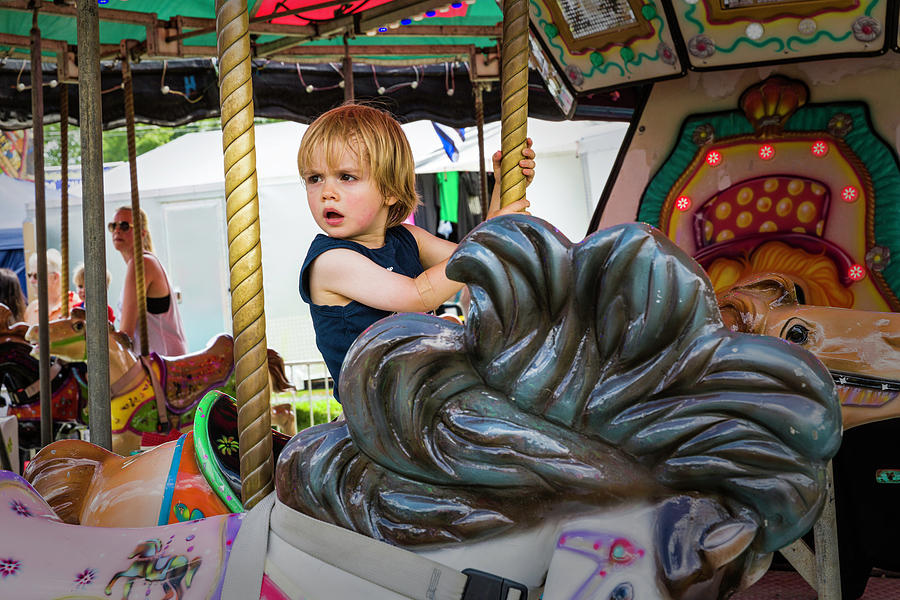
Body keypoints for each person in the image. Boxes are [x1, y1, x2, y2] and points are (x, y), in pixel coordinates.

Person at [297, 103, 535, 399]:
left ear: (390, 189)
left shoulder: (407, 238)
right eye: (314, 178)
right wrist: (492, 232)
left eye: (346, 177)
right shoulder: (330, 262)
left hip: (417, 392)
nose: (326, 192)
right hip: (377, 408)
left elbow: (481, 259)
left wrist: (502, 187)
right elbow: (418, 294)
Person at [110, 206, 188, 356]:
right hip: (160, 361)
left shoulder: (141, 263)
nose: (117, 230)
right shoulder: (141, 263)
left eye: (125, 226)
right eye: (113, 226)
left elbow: (125, 336)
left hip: (161, 366)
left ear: (142, 234)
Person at [23, 248, 80, 325]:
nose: (31, 280)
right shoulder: (31, 309)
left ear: (55, 277)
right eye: (29, 275)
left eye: (37, 276)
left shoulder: (76, 304)